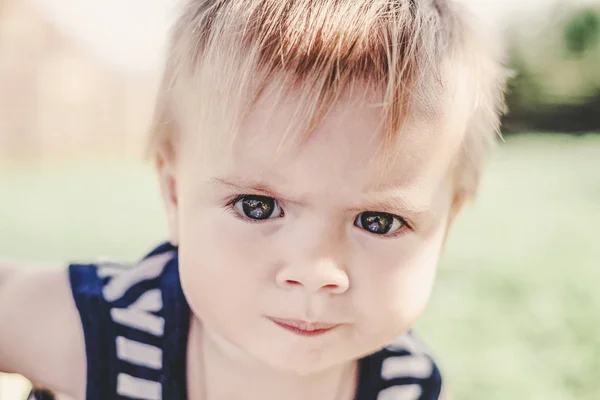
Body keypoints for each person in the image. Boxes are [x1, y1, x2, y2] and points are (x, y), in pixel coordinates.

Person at [0, 0, 508, 398]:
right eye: (257, 207)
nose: (314, 269)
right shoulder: (98, 331)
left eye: (378, 221)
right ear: (174, 196)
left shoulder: (405, 384)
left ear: (446, 226)